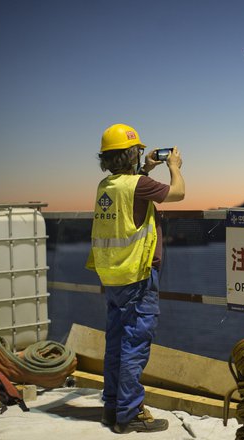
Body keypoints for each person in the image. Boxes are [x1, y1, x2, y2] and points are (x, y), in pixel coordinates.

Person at [85, 123, 185, 433]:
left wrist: (145, 168)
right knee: (134, 345)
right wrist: (174, 167)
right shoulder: (139, 186)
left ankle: (112, 406)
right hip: (138, 276)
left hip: (112, 275)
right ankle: (129, 414)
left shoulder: (106, 185)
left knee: (116, 342)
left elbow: (133, 192)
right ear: (131, 155)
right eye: (138, 152)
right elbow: (178, 193)